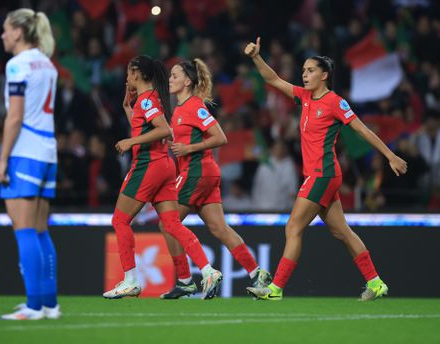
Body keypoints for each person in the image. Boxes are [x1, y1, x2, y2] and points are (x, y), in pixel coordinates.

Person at [244, 38, 408, 301]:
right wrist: (256, 58)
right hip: (321, 176)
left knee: (293, 228)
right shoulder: (305, 97)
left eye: (310, 71)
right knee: (341, 231)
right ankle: (375, 282)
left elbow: (362, 129)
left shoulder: (334, 102)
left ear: (324, 75)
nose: (305, 75)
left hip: (322, 174)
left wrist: (390, 155)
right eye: (304, 71)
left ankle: (275, 288)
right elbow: (273, 79)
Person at [102, 55, 222, 300]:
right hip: (165, 166)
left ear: (137, 73)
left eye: (128, 71)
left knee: (120, 220)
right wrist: (128, 108)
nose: (126, 77)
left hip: (148, 165)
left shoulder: (147, 101)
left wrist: (130, 142)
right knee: (171, 224)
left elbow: (164, 130)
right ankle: (207, 271)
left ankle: (130, 280)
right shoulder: (148, 100)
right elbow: (147, 129)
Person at [157, 59, 272, 299]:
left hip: (196, 172)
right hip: (205, 174)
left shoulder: (194, 107)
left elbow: (220, 137)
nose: (170, 79)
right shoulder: (179, 110)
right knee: (220, 228)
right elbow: (187, 140)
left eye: (175, 75)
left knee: (167, 222)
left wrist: (188, 149)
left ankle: (192, 278)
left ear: (187, 81)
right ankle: (256, 273)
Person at [0, 9, 60, 320]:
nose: (3, 36)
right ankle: (50, 304)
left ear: (19, 32)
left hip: (25, 152)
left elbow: (15, 116)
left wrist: (3, 158)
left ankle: (33, 306)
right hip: (48, 152)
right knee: (40, 230)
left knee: (24, 231)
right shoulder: (47, 64)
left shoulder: (17, 65)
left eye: (6, 30)